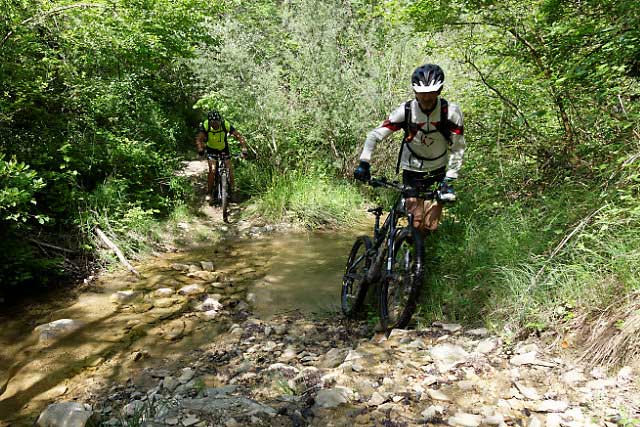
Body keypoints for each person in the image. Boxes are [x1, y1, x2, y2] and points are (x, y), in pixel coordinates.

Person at [354, 63, 466, 226]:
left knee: (430, 226)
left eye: (430, 93)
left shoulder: (451, 113)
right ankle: (406, 243)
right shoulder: (405, 111)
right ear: (415, 92)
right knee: (416, 222)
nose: (426, 98)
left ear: (439, 91)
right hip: (412, 170)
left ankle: (414, 248)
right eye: (421, 94)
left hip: (438, 171)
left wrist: (450, 178)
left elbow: (458, 149)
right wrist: (364, 162)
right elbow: (375, 135)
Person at [195, 110, 249, 203]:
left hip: (224, 149)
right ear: (209, 122)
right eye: (212, 123)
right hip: (211, 149)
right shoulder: (206, 125)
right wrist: (200, 148)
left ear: (220, 120)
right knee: (212, 170)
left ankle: (232, 191)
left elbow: (238, 136)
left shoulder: (225, 124)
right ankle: (209, 192)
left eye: (216, 122)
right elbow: (199, 139)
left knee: (230, 170)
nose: (215, 125)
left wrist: (244, 148)